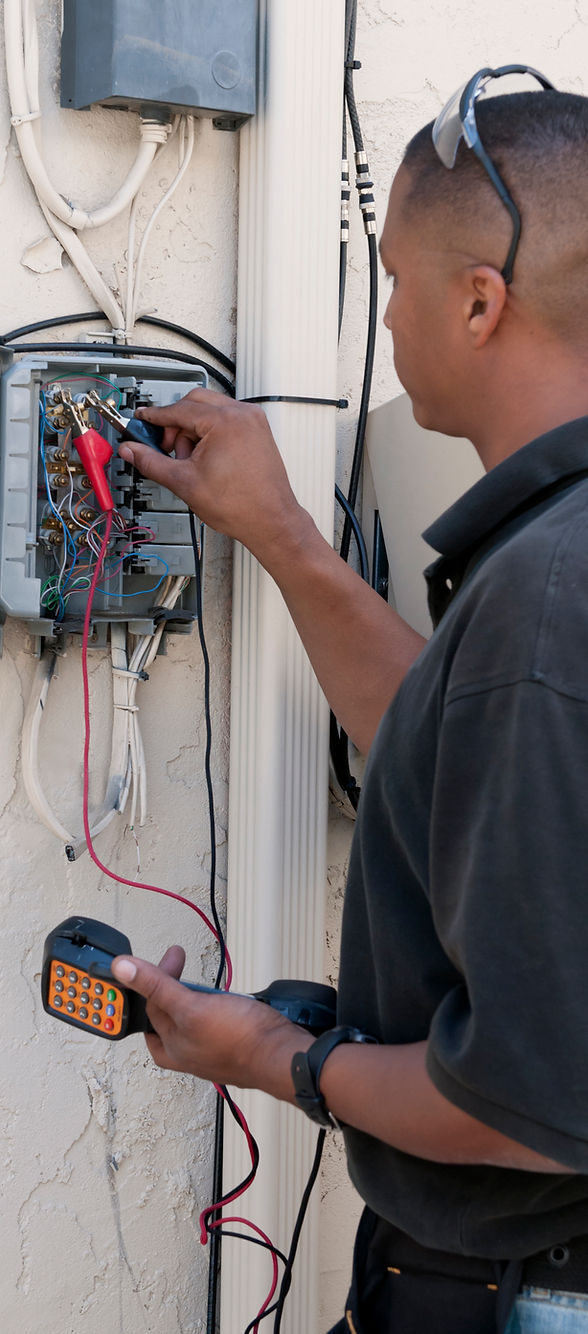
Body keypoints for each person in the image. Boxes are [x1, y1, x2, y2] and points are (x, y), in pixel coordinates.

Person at [112, 72, 588, 1333]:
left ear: (479, 302)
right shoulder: (556, 565)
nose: (382, 316)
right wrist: (286, 540)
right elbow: (460, 762)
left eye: (390, 278)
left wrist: (271, 1057)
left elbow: (523, 1105)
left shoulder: (546, 596)